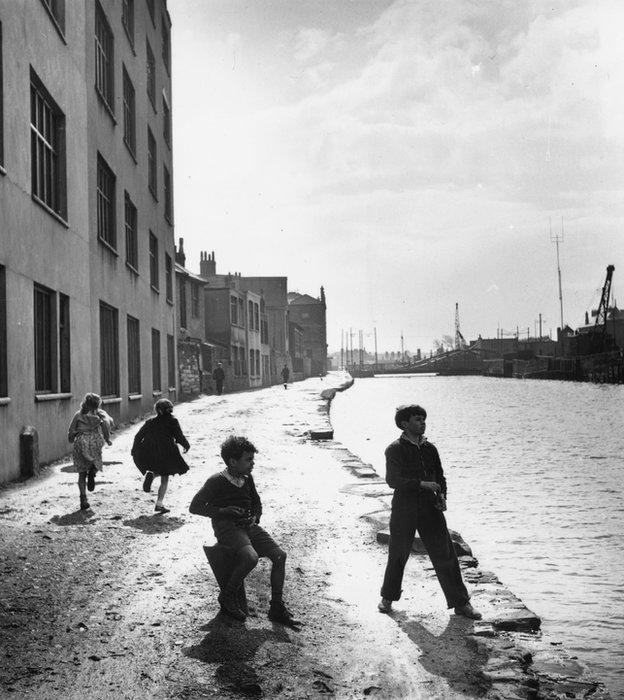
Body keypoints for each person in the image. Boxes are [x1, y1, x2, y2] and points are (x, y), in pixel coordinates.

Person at [378, 404, 481, 620]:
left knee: (445, 554)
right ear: (404, 424)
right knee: (398, 554)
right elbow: (392, 480)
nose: (422, 423)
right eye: (417, 419)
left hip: (430, 509)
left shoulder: (430, 448)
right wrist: (422, 484)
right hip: (404, 508)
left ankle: (461, 603)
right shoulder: (394, 449)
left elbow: (440, 477)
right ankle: (387, 598)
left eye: (424, 419)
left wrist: (442, 495)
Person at [190, 435, 299, 626]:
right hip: (227, 528)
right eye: (248, 460)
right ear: (232, 461)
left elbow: (256, 503)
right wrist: (223, 511)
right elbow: (195, 506)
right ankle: (227, 596)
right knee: (251, 557)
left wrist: (255, 518)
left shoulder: (247, 478)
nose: (252, 464)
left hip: (248, 527)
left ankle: (276, 606)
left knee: (280, 556)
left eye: (252, 459)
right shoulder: (216, 481)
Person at [131, 399, 190, 514]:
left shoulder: (150, 422)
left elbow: (138, 436)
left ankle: (152, 475)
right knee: (165, 477)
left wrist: (135, 449)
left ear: (157, 410)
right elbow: (179, 436)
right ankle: (159, 504)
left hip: (150, 451)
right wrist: (186, 445)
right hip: (167, 450)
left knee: (159, 470)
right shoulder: (173, 421)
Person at [67, 393, 113, 511]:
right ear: (97, 405)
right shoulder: (99, 415)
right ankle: (93, 472)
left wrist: (73, 437)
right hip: (94, 442)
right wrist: (107, 439)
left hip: (81, 443)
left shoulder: (78, 414)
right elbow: (107, 425)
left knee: (81, 474)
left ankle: (83, 500)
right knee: (96, 462)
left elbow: (71, 431)